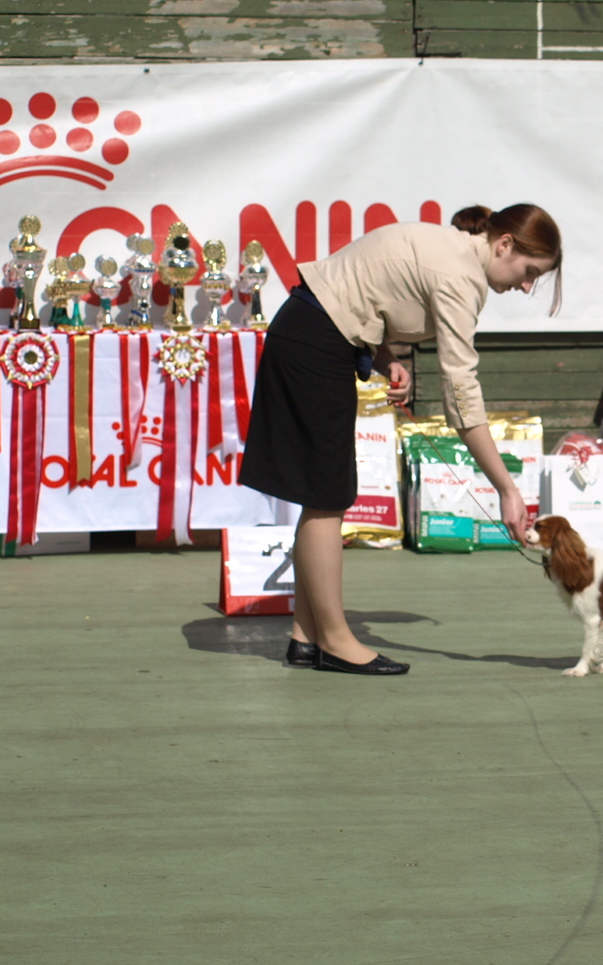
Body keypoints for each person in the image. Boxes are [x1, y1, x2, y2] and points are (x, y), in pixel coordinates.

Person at [239, 204, 563, 676]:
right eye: (530, 271)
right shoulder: (460, 275)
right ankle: (335, 641)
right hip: (315, 343)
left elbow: (363, 294)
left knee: (323, 494)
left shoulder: (451, 250)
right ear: (505, 244)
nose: (527, 285)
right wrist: (507, 488)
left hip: (310, 334)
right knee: (327, 496)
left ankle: (306, 637)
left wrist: (385, 356)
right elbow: (460, 392)